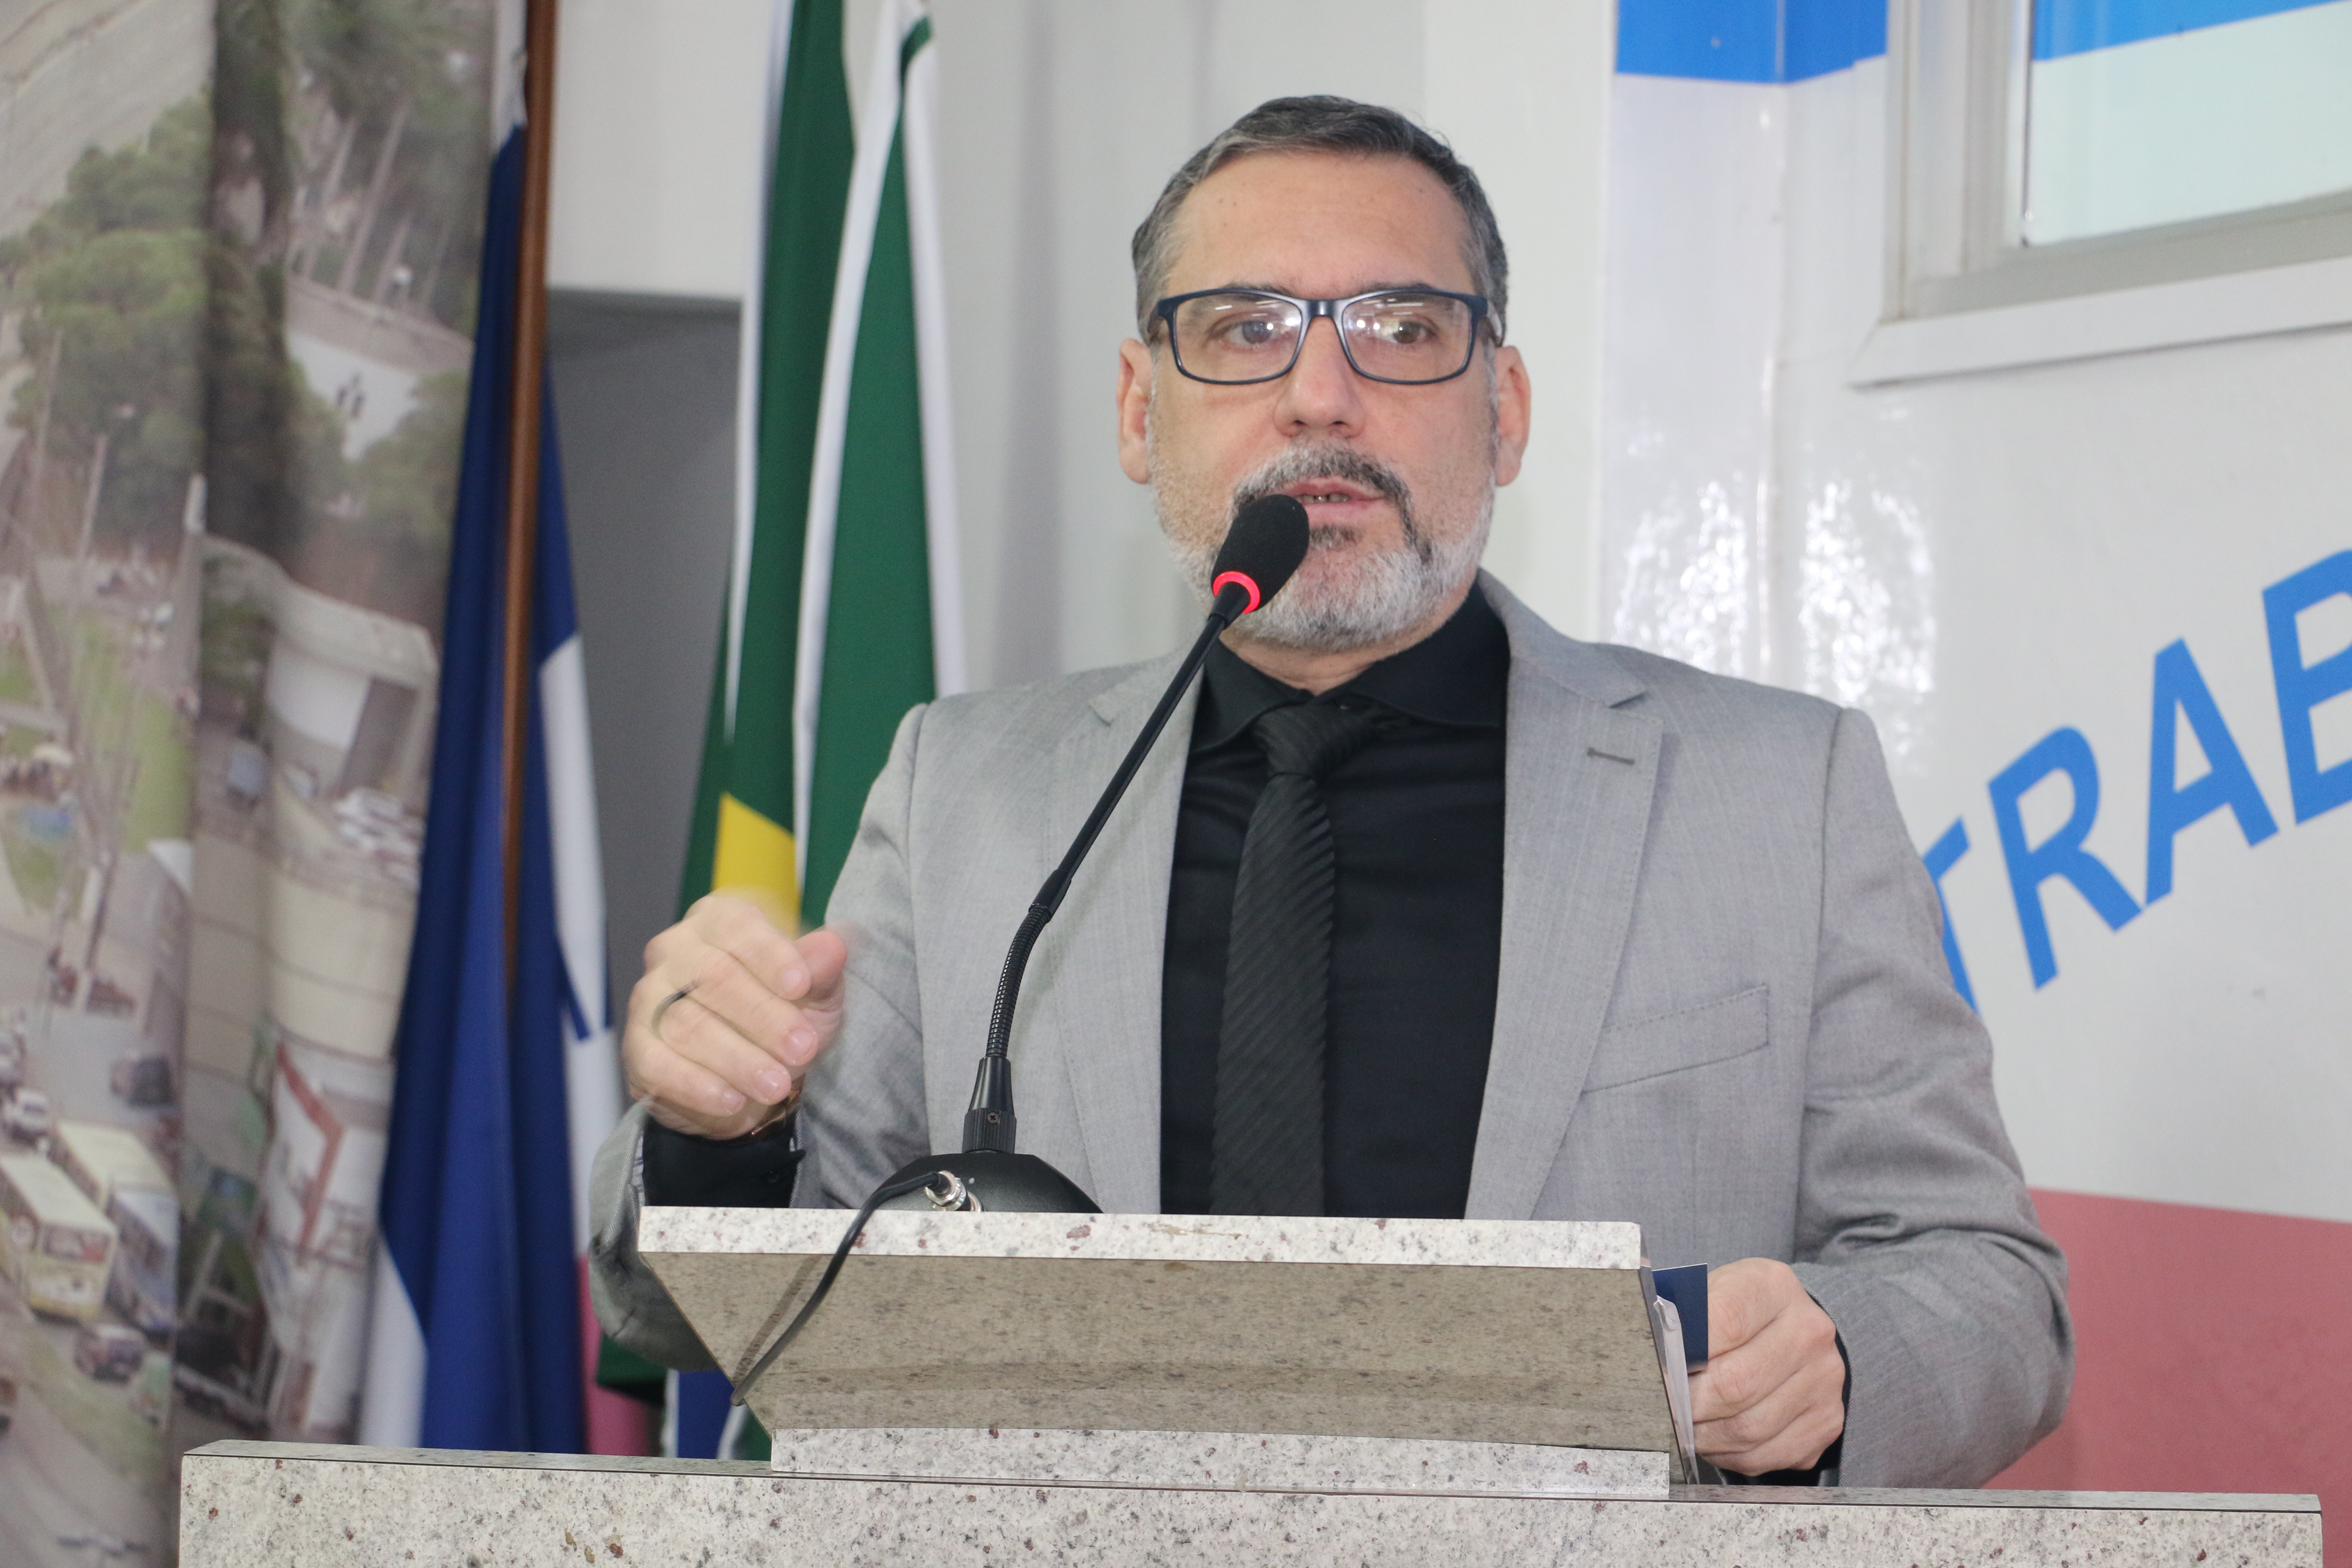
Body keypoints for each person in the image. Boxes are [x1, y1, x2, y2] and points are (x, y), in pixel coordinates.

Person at [590, 96, 2070, 1487]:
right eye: (1244, 330)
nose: (1320, 395)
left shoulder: (1780, 794)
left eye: (1401, 330)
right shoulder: (964, 793)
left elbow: (1992, 1292)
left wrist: (1833, 1361)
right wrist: (715, 1125)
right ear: (1139, 410)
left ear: (1504, 410)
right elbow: (697, 1312)